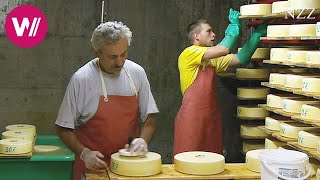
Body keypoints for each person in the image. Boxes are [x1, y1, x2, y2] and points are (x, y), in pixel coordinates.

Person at [55, 21, 159, 180]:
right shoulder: (82, 79)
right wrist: (84, 153)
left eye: (123, 54)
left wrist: (142, 140)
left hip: (129, 168)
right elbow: (63, 127)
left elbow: (150, 117)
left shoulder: (137, 73)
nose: (119, 62)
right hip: (92, 170)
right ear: (96, 52)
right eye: (112, 57)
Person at [173, 9, 267, 156]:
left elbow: (241, 58)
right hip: (191, 120)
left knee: (212, 163)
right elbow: (223, 49)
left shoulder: (212, 60)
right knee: (188, 162)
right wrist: (233, 31)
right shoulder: (188, 53)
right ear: (196, 36)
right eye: (209, 31)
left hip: (211, 119)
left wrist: (257, 36)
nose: (213, 35)